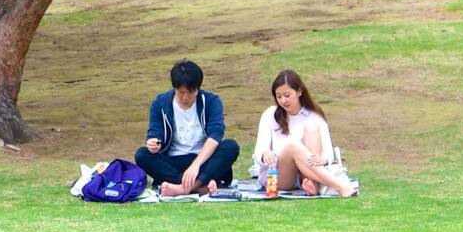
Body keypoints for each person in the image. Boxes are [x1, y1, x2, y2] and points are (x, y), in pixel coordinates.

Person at [135, 60, 241, 196]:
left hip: (203, 160)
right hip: (174, 161)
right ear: (175, 88)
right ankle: (200, 187)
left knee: (230, 146)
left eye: (191, 93)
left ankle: (182, 189)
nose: (186, 97)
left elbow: (215, 135)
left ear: (198, 88)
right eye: (181, 92)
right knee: (142, 155)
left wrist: (195, 165)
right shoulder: (161, 103)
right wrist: (153, 142)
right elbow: (155, 132)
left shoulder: (211, 102)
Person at [250, 70, 357, 197]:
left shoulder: (313, 116)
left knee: (311, 127)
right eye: (279, 97)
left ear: (299, 92)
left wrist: (323, 158)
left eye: (287, 95)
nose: (283, 100)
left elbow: (328, 153)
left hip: (305, 174)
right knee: (292, 147)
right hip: (278, 176)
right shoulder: (270, 114)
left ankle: (312, 185)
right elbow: (259, 151)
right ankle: (339, 186)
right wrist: (265, 154)